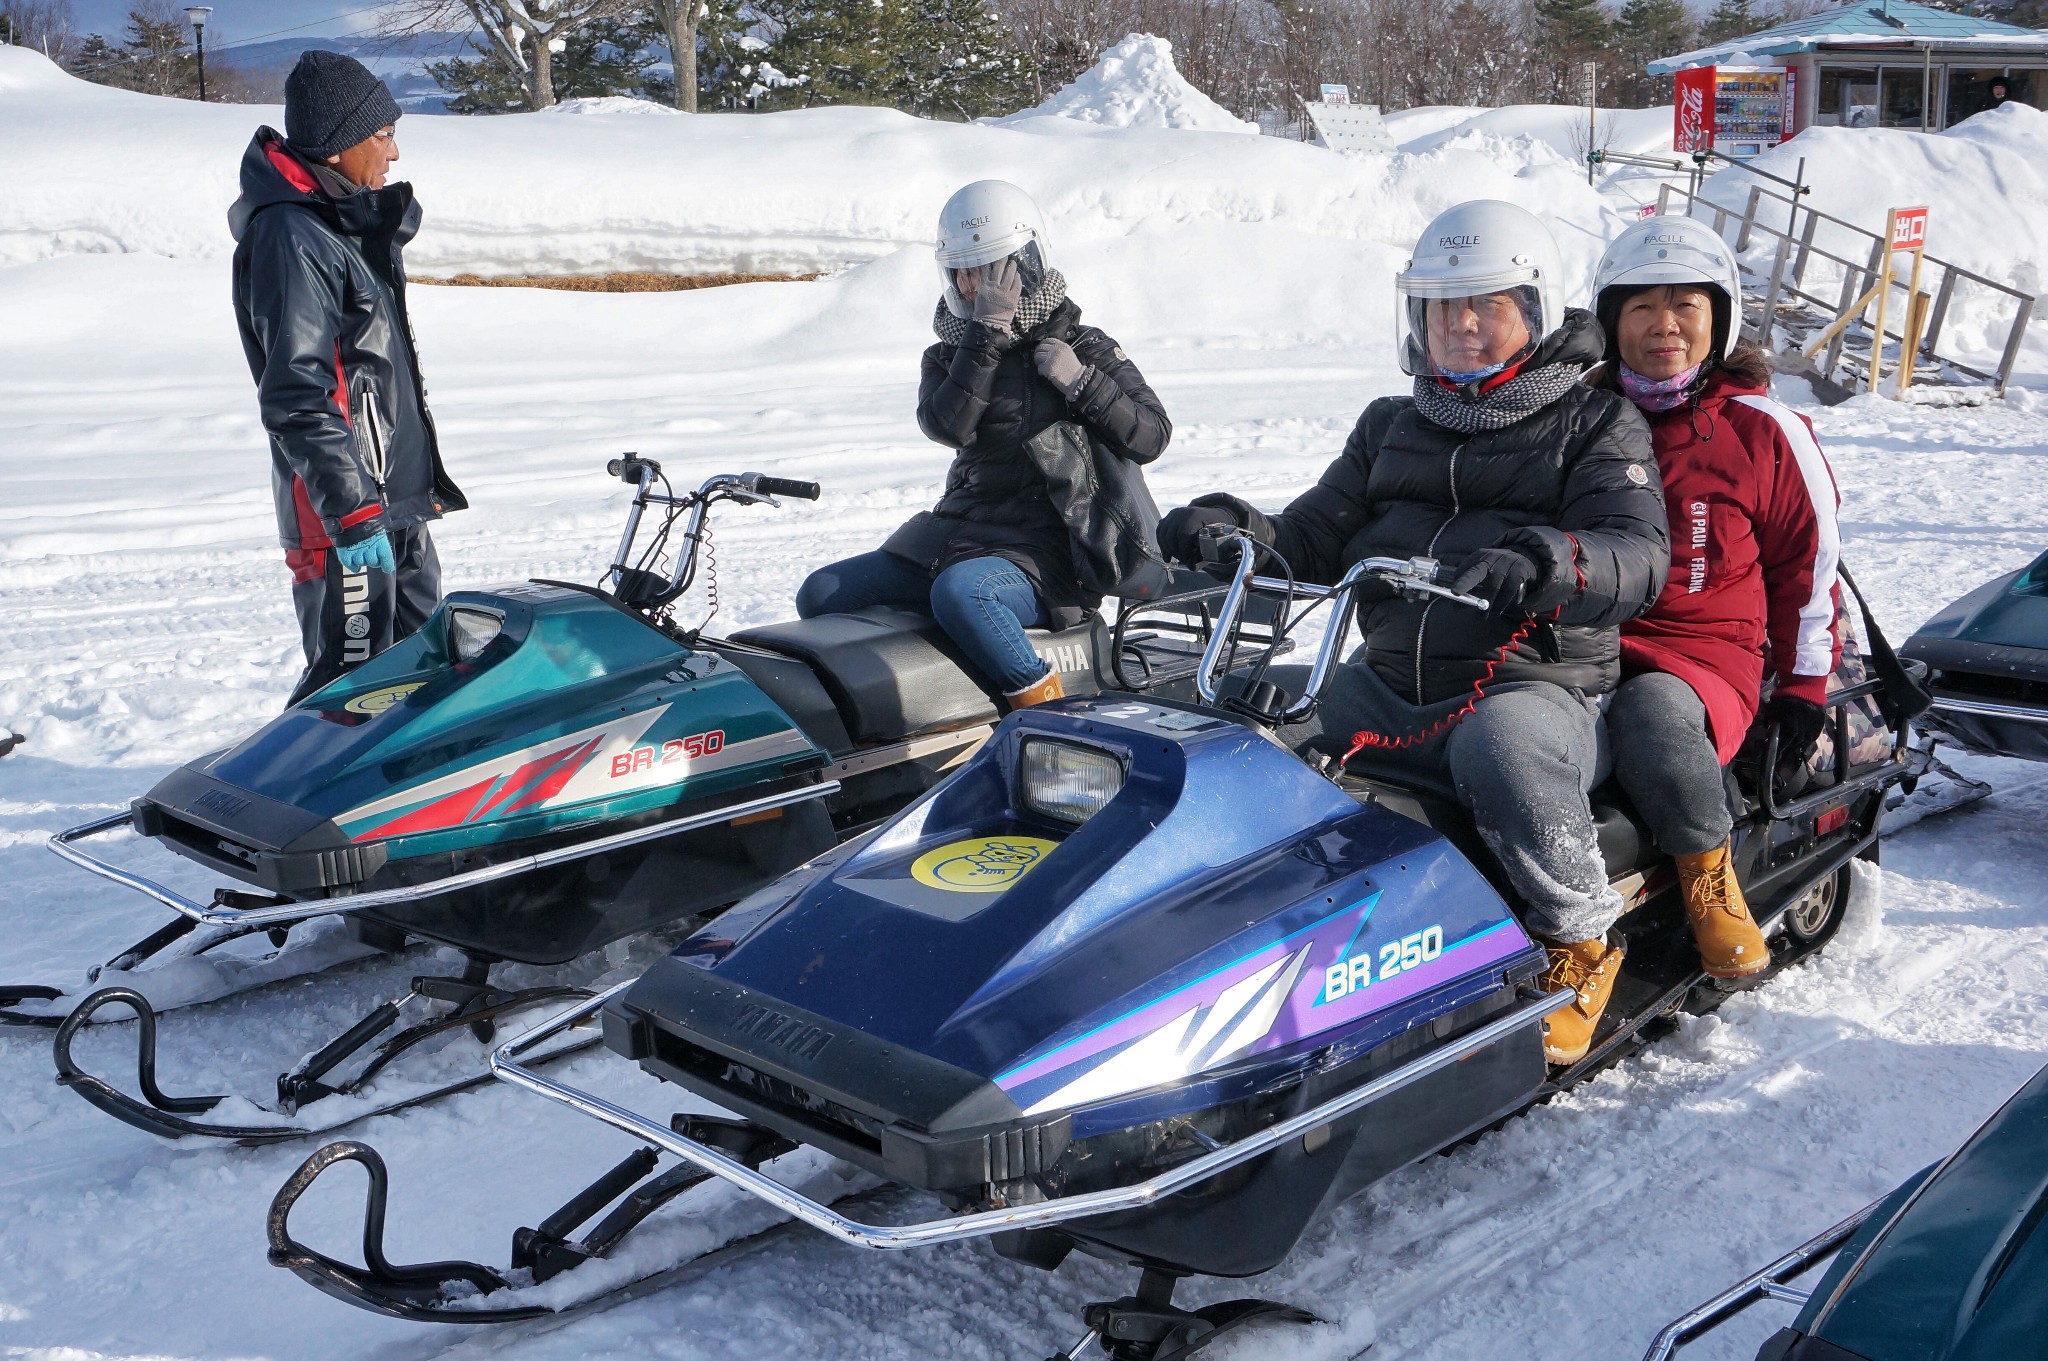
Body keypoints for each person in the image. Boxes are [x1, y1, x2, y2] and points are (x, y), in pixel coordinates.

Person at [1159, 200, 1669, 1066]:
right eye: (1440, 304)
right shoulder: (1389, 425)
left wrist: (1547, 559)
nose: (1460, 324)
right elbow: (1312, 534)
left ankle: (1581, 939)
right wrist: (1234, 528)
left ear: (1536, 313)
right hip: (1390, 680)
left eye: (1485, 304)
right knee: (1244, 729)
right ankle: (1218, 938)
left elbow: (1638, 552)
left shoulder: (1597, 423)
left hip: (1531, 684)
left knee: (1503, 752)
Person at [794, 180, 1170, 708]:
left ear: (1028, 265)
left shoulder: (1083, 345)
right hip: (958, 532)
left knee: (965, 592)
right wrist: (987, 333)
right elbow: (949, 426)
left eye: (994, 271)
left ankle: (1048, 711)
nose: (977, 288)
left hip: (1049, 547)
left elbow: (1152, 435)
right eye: (965, 274)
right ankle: (918, 699)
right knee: (823, 591)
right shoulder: (947, 354)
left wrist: (1083, 383)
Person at [1590, 215, 1841, 980]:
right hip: (1591, 640)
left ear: (1719, 318)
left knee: (1651, 714)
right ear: (1611, 323)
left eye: (1684, 306)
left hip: (1705, 655)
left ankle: (1709, 879)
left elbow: (1809, 562)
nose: (1663, 326)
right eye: (1641, 308)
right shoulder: (1589, 417)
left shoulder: (1761, 428)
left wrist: (1802, 687)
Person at [229, 51, 464, 706]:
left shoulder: (336, 227)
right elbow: (298, 393)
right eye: (382, 135)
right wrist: (354, 512)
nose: (393, 154)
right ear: (336, 147)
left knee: (420, 688)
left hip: (392, 500)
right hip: (347, 513)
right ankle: (290, 804)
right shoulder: (290, 235)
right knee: (351, 701)